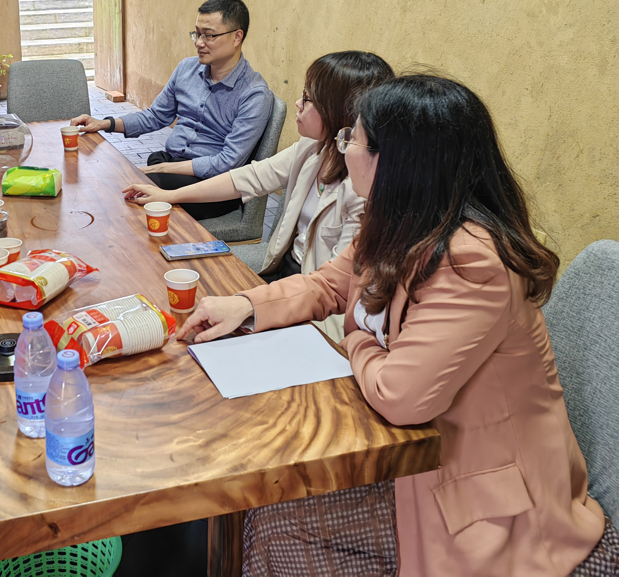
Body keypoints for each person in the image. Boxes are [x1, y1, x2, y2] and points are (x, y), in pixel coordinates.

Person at [179, 75, 617, 576]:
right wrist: (244, 305)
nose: (343, 147)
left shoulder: (474, 263)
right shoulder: (397, 222)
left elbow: (401, 394)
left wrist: (357, 339)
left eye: (353, 138)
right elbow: (329, 284)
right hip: (416, 454)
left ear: (395, 162)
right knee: (265, 502)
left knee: (278, 520)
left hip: (487, 500)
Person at [124, 51, 393, 341]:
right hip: (288, 276)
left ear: (338, 111)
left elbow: (334, 289)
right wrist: (170, 194)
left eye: (308, 98)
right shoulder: (314, 148)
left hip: (316, 305)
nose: (298, 103)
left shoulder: (361, 189)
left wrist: (254, 309)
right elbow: (248, 177)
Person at [70, 0, 274, 220]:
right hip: (172, 164)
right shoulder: (187, 69)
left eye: (209, 35)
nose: (199, 43)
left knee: (129, 193)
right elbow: (156, 116)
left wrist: (160, 169)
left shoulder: (254, 94)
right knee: (136, 178)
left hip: (213, 187)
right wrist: (104, 124)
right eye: (197, 33)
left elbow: (227, 163)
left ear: (237, 37)